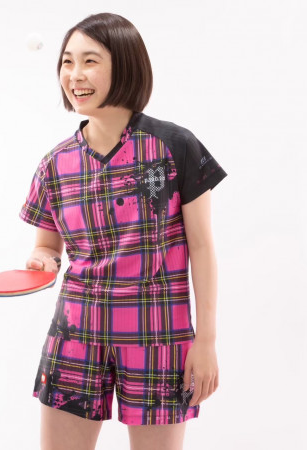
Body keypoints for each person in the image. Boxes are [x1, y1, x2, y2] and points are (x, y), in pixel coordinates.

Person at [19, 12, 228, 450]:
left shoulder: (175, 147)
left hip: (159, 335)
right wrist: (43, 260)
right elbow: (47, 246)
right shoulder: (54, 164)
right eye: (67, 61)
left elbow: (203, 248)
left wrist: (206, 341)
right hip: (76, 333)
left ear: (126, 65)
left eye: (89, 61)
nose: (74, 75)